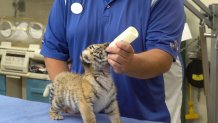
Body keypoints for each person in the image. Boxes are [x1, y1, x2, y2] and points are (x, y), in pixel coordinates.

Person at [40, 0, 184, 123]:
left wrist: (131, 63)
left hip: (141, 116)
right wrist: (65, 94)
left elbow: (162, 56)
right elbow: (54, 50)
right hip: (82, 115)